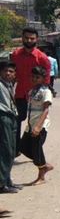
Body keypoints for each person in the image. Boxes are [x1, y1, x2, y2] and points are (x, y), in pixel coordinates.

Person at [11, 27, 51, 151]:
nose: (29, 40)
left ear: (36, 39)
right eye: (26, 38)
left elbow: (46, 80)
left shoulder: (42, 58)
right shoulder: (15, 55)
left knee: (37, 124)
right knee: (15, 122)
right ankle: (16, 148)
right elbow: (12, 75)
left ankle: (35, 150)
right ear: (22, 38)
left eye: (32, 38)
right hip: (20, 95)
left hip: (36, 98)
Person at [19, 66, 53, 184]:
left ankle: (41, 177)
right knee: (22, 147)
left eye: (37, 77)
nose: (34, 79)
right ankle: (44, 164)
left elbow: (46, 110)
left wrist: (38, 126)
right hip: (30, 124)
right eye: (33, 77)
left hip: (40, 125)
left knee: (37, 150)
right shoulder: (31, 91)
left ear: (43, 79)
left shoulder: (46, 91)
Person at [0, 62, 19, 193]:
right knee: (6, 150)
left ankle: (7, 180)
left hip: (11, 117)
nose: (8, 73)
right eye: (5, 71)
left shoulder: (10, 85)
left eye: (11, 71)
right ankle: (2, 183)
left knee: (12, 150)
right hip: (3, 117)